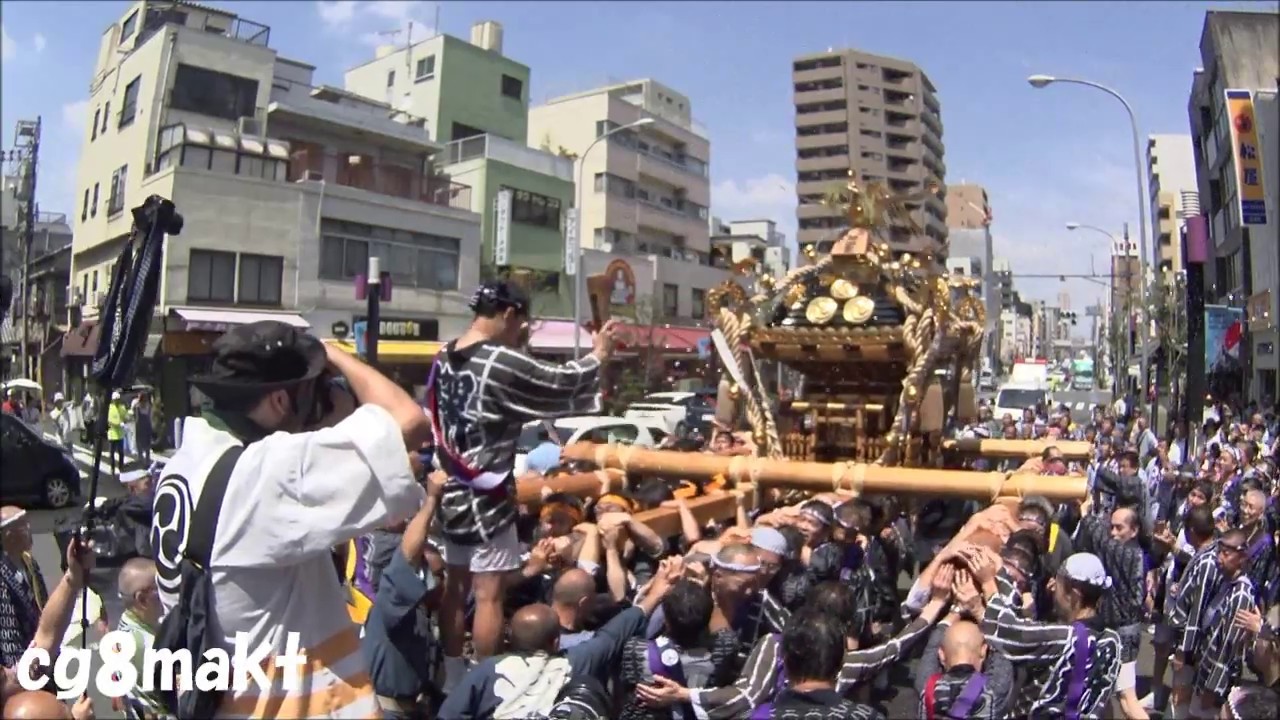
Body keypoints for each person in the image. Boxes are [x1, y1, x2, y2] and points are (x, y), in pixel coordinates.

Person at [151, 320, 429, 719]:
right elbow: (408, 421)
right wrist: (332, 353)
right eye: (315, 387)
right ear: (281, 401)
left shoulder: (188, 466)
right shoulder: (266, 473)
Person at [426, 281, 618, 688]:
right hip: (486, 492)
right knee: (490, 592)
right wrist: (598, 355)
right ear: (509, 314)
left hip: (448, 487)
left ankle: (452, 671)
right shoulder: (497, 360)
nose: (521, 330)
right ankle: (482, 679)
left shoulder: (444, 356)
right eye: (521, 322)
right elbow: (556, 382)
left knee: (456, 587)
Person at [968, 549, 1123, 718]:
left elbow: (1008, 632)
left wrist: (987, 583)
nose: (1053, 587)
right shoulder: (1113, 641)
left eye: (1059, 583)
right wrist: (1001, 573)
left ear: (1074, 594)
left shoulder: (1066, 638)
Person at [114, 558, 169, 720]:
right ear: (142, 599)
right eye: (161, 589)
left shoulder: (126, 623)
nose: (167, 594)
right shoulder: (148, 647)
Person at [0, 507, 46, 667]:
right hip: (21, 662)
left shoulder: (29, 562)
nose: (29, 529)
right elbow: (7, 628)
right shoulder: (2, 575)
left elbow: (43, 603)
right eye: (23, 526)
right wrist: (20, 669)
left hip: (42, 647)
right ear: (8, 536)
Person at [106, 391, 127, 474]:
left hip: (120, 434)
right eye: (115, 399)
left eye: (118, 399)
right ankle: (112, 468)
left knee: (121, 453)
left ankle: (121, 467)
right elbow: (109, 421)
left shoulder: (122, 407)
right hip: (112, 434)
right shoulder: (110, 408)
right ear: (112, 400)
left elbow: (125, 416)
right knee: (111, 453)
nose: (117, 401)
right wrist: (118, 424)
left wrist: (125, 420)